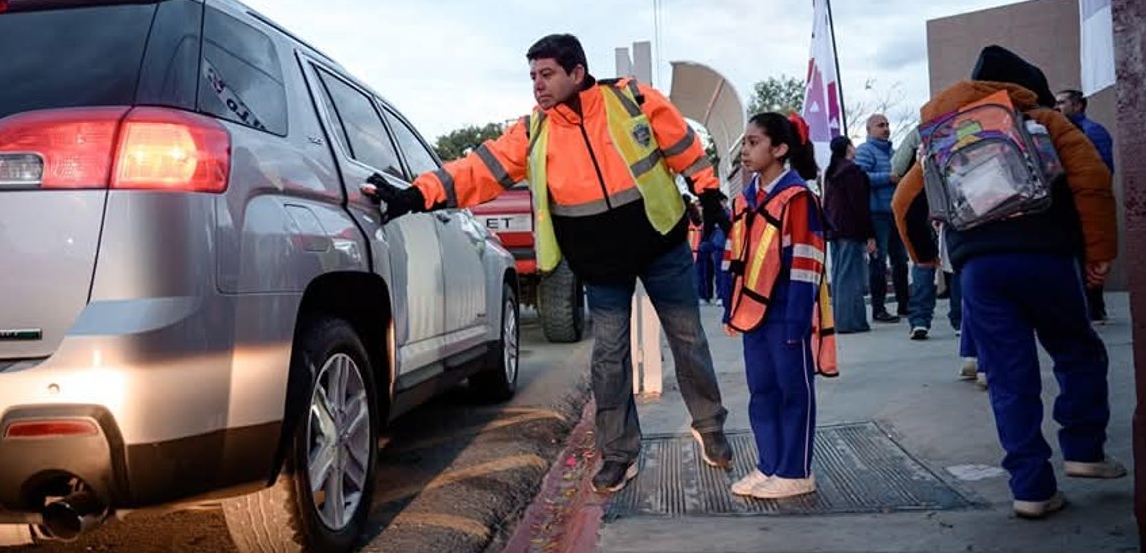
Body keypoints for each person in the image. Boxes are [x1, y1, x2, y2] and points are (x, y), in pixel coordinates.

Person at [364, 33, 732, 494]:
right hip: (601, 264)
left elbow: (682, 144)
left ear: (577, 73)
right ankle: (619, 453)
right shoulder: (533, 131)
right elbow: (477, 169)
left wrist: (708, 188)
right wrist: (417, 194)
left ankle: (710, 427)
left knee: (688, 340)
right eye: (533, 76)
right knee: (609, 359)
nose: (538, 85)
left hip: (662, 245)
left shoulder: (631, 99)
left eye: (547, 74)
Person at [894, 45, 1125, 519]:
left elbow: (904, 200)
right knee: (1078, 352)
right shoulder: (1045, 119)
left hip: (980, 269)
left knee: (1007, 376)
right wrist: (1099, 255)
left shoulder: (946, 129)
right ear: (1028, 85)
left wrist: (923, 257)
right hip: (1047, 257)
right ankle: (1084, 450)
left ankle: (1031, 487)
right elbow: (1092, 181)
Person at [723, 113, 838, 500]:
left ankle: (796, 471)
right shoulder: (743, 200)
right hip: (753, 315)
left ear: (780, 149)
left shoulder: (799, 198)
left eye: (754, 142)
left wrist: (798, 321)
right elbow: (733, 258)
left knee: (794, 391)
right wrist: (731, 309)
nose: (745, 151)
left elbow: (807, 264)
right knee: (762, 392)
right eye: (745, 142)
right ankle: (769, 465)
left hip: (789, 313)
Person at [1056, 88, 1115, 323]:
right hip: (1073, 204)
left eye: (1062, 102)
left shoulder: (1092, 132)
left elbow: (1104, 171)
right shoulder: (1064, 132)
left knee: (1089, 254)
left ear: (1078, 105)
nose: (1057, 107)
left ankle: (1094, 308)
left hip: (1087, 204)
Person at [856, 114, 908, 323]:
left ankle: (904, 305)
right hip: (877, 215)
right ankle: (878, 309)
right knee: (878, 263)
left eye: (887, 125)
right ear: (869, 130)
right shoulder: (865, 151)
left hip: (896, 214)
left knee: (901, 261)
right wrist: (888, 177)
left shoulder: (894, 153)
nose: (885, 128)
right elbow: (860, 177)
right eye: (880, 125)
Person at [821, 135, 875, 333]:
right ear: (848, 148)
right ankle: (851, 321)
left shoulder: (831, 171)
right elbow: (860, 206)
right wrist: (869, 233)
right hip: (850, 229)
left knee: (839, 274)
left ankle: (841, 319)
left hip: (835, 229)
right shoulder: (852, 172)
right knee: (850, 275)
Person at [891, 126, 937, 340]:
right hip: (962, 202)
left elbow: (898, 167)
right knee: (955, 266)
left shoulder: (922, 129)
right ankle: (961, 321)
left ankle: (920, 320)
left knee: (922, 263)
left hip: (917, 205)